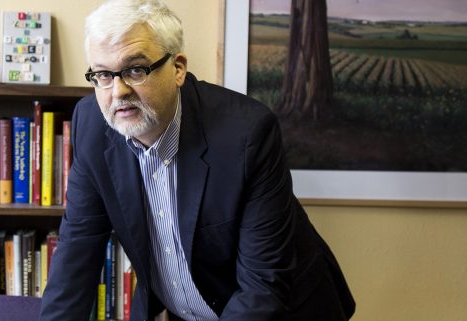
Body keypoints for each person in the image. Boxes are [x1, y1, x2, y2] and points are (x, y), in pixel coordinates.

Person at [39, 0, 355, 320]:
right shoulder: (91, 125)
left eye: (135, 69)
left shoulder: (247, 135)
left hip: (286, 310)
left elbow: (263, 287)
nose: (117, 91)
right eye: (103, 75)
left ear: (177, 68)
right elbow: (75, 255)